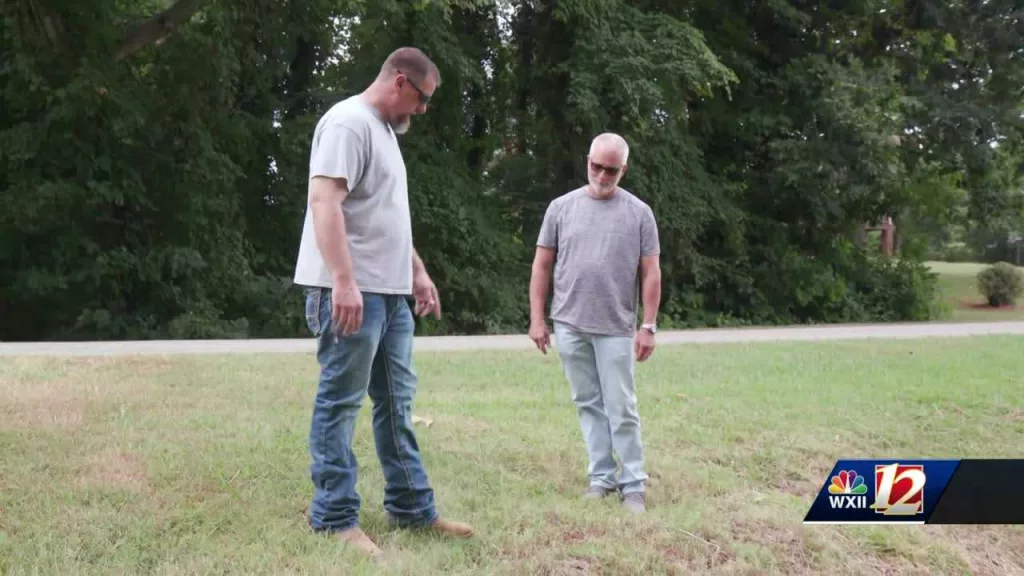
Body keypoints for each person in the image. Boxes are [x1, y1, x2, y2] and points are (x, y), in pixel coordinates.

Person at [292, 46, 473, 557]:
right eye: (421, 99)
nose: (422, 110)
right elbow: (325, 201)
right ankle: (332, 518)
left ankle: (413, 509)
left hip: (389, 295)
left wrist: (416, 272)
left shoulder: (385, 133)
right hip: (354, 293)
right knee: (341, 401)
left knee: (397, 403)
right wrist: (343, 282)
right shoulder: (348, 123)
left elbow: (383, 215)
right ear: (399, 82)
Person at [527, 132, 662, 514]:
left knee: (621, 407)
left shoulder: (639, 213)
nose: (602, 175)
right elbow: (542, 264)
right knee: (588, 403)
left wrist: (648, 326)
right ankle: (601, 478)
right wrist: (538, 319)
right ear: (587, 160)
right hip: (569, 324)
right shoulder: (560, 208)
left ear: (624, 169)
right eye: (596, 166)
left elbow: (651, 273)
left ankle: (633, 484)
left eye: (611, 170)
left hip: (617, 327)